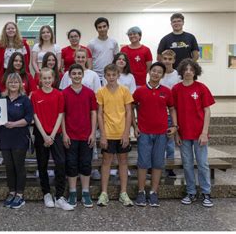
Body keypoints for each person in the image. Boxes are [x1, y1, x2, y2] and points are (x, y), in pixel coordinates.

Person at [133, 62, 177, 207]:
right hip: (144, 132)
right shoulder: (140, 91)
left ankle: (153, 193)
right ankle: (141, 192)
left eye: (159, 72)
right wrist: (135, 125)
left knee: (158, 163)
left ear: (162, 75)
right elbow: (131, 107)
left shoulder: (167, 91)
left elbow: (172, 109)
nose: (156, 74)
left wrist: (174, 126)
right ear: (149, 72)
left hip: (161, 133)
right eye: (154, 71)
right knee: (143, 163)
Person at [173, 59, 215, 207]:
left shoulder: (201, 88)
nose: (188, 72)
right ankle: (191, 192)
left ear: (195, 71)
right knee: (187, 164)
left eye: (191, 69)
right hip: (183, 134)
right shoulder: (176, 89)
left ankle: (206, 193)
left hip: (199, 134)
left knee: (203, 164)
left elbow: (207, 111)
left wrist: (204, 133)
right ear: (182, 71)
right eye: (186, 69)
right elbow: (174, 111)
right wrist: (176, 133)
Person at [31, 68, 73, 211]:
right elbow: (35, 116)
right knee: (42, 164)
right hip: (41, 135)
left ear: (53, 79)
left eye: (50, 78)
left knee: (61, 163)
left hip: (55, 134)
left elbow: (60, 115)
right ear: (40, 80)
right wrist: (44, 135)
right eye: (44, 78)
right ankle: (47, 193)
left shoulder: (59, 94)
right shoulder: (35, 95)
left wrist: (53, 136)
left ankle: (59, 196)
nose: (47, 81)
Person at [96, 64, 134, 207]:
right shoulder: (101, 92)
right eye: (108, 75)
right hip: (108, 132)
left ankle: (123, 193)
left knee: (123, 162)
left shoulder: (125, 91)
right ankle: (104, 193)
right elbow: (100, 114)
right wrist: (103, 135)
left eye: (114, 75)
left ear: (118, 75)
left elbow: (129, 112)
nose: (111, 77)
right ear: (105, 76)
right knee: (106, 162)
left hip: (121, 132)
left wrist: (126, 133)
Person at [61, 64, 97, 208]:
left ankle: (86, 193)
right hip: (70, 135)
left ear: (83, 75)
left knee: (86, 163)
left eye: (79, 73)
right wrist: (64, 133)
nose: (76, 76)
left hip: (86, 134)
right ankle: (73, 192)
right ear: (70, 76)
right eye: (73, 73)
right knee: (71, 164)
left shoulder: (89, 93)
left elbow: (93, 113)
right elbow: (61, 115)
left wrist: (93, 132)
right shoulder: (64, 93)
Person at [0, 73, 34, 209]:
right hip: (5, 138)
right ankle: (12, 192)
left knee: (18, 166)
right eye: (11, 82)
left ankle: (20, 194)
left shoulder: (25, 99)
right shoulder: (2, 99)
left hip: (20, 137)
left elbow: (29, 118)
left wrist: (13, 124)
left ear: (20, 84)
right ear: (7, 84)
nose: (13, 84)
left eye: (16, 82)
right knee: (9, 167)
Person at [0, 22, 31, 87]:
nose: (10, 30)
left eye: (13, 28)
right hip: (4, 74)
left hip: (20, 73)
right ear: (5, 31)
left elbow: (26, 59)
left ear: (16, 30)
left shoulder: (23, 44)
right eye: (8, 29)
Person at [159, 49, 181, 178]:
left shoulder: (177, 75)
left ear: (173, 60)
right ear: (161, 59)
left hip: (171, 112)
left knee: (170, 142)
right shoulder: (158, 73)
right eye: (165, 58)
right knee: (158, 142)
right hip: (159, 112)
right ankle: (157, 165)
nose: (167, 61)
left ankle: (170, 167)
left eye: (169, 59)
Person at [88, 17, 119, 82]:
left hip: (110, 76)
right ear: (96, 29)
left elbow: (116, 59)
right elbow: (88, 61)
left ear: (108, 27)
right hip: (96, 76)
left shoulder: (114, 42)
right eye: (99, 27)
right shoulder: (91, 43)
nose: (102, 29)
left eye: (104, 26)